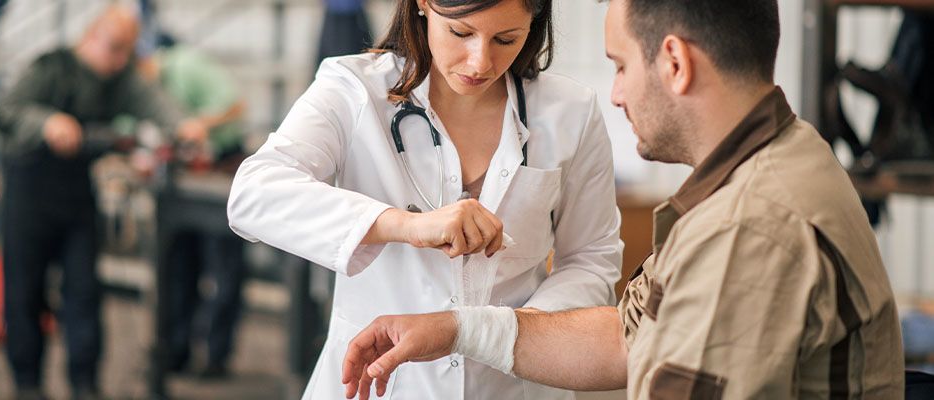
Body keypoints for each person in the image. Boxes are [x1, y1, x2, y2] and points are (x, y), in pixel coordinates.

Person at [341, 0, 906, 398]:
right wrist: (454, 329)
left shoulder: (751, 226)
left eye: (620, 66)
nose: (613, 94)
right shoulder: (772, 164)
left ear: (675, 63)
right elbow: (628, 339)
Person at [227, 0, 623, 397]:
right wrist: (405, 225)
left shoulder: (570, 111)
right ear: (423, 5)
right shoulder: (353, 89)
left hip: (516, 385)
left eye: (506, 39)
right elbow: (254, 193)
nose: (479, 62)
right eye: (461, 33)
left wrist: (510, 335)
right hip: (380, 384)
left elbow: (591, 257)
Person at [0, 5, 179, 399]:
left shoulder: (121, 78)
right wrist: (46, 123)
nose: (119, 60)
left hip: (77, 198)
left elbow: (158, 107)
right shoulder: (51, 69)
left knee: (84, 293)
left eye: (127, 50)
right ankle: (27, 386)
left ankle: (85, 385)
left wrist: (181, 127)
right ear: (90, 37)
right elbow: (5, 110)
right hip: (29, 195)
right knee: (24, 294)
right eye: (113, 48)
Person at [143, 33, 250, 378]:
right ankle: (175, 352)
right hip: (183, 175)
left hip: (221, 169)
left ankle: (216, 356)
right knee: (177, 267)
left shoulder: (186, 65)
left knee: (223, 270)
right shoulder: (146, 87)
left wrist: (198, 125)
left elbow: (236, 105)